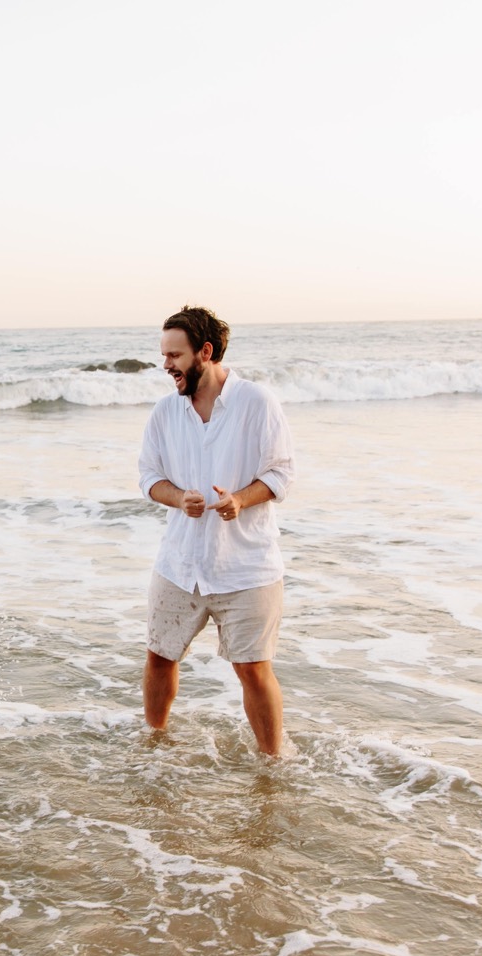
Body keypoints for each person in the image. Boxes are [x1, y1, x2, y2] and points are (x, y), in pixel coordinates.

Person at [137, 306, 296, 756]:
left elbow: (282, 473)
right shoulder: (165, 412)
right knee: (159, 656)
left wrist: (240, 499)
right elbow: (149, 476)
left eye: (175, 355)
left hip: (245, 565)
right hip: (179, 562)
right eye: (164, 355)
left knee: (253, 669)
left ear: (205, 352)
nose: (166, 365)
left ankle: (273, 764)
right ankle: (155, 743)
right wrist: (177, 497)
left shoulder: (257, 402)